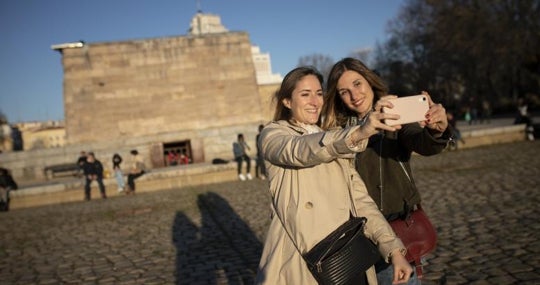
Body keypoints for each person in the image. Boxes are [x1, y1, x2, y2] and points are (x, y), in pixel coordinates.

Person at [255, 66, 412, 285]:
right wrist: (358, 132)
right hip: (304, 259)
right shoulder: (273, 135)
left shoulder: (332, 138)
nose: (315, 101)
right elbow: (297, 150)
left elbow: (361, 202)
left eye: (319, 93)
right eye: (305, 94)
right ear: (287, 102)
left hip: (347, 258)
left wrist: (394, 251)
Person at [321, 57, 452, 284]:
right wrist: (362, 130)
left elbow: (420, 142)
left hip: (396, 231)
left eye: (357, 84)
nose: (354, 95)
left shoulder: (394, 112)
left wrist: (436, 130)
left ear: (369, 81)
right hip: (354, 238)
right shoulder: (337, 131)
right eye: (344, 91)